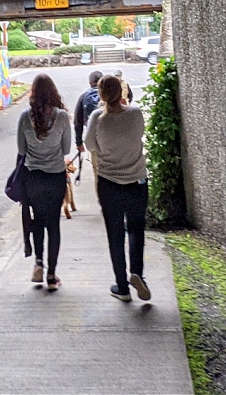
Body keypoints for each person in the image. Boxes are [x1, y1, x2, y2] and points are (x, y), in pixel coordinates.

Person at [84, 74, 150, 303]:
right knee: (136, 230)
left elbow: (89, 144)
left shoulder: (97, 117)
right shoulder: (135, 113)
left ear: (101, 94)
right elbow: (140, 134)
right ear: (121, 91)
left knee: (115, 234)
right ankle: (137, 274)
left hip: (109, 182)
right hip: (137, 181)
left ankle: (122, 287)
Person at [17, 73, 72, 292]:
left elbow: (22, 150)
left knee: (38, 221)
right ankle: (51, 274)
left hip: (33, 177)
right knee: (53, 224)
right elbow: (66, 149)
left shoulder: (24, 117)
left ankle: (38, 263)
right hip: (55, 176)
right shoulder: (61, 116)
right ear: (52, 92)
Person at [73, 69, 103, 151]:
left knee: (96, 158)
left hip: (93, 138)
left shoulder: (84, 96)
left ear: (90, 83)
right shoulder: (110, 95)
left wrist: (79, 142)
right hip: (110, 138)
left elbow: (78, 122)